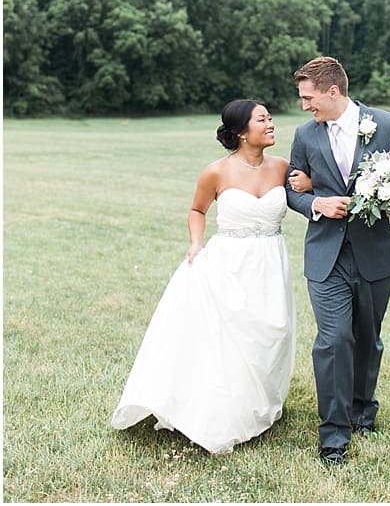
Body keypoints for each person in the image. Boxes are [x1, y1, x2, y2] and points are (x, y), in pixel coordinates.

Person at [112, 99, 302, 455]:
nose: (271, 123)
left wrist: (306, 184)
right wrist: (196, 243)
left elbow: (305, 195)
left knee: (272, 331)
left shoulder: (282, 167)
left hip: (271, 262)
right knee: (231, 335)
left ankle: (260, 401)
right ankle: (226, 408)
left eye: (270, 118)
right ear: (242, 133)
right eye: (263, 119)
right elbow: (197, 209)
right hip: (229, 261)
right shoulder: (216, 171)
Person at [285, 56, 390, 465]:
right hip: (327, 256)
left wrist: (374, 200)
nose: (304, 105)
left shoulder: (388, 125)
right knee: (334, 339)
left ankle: (362, 411)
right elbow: (292, 191)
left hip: (376, 254)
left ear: (332, 91)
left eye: (309, 97)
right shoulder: (305, 135)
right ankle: (333, 435)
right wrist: (316, 201)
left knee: (367, 338)